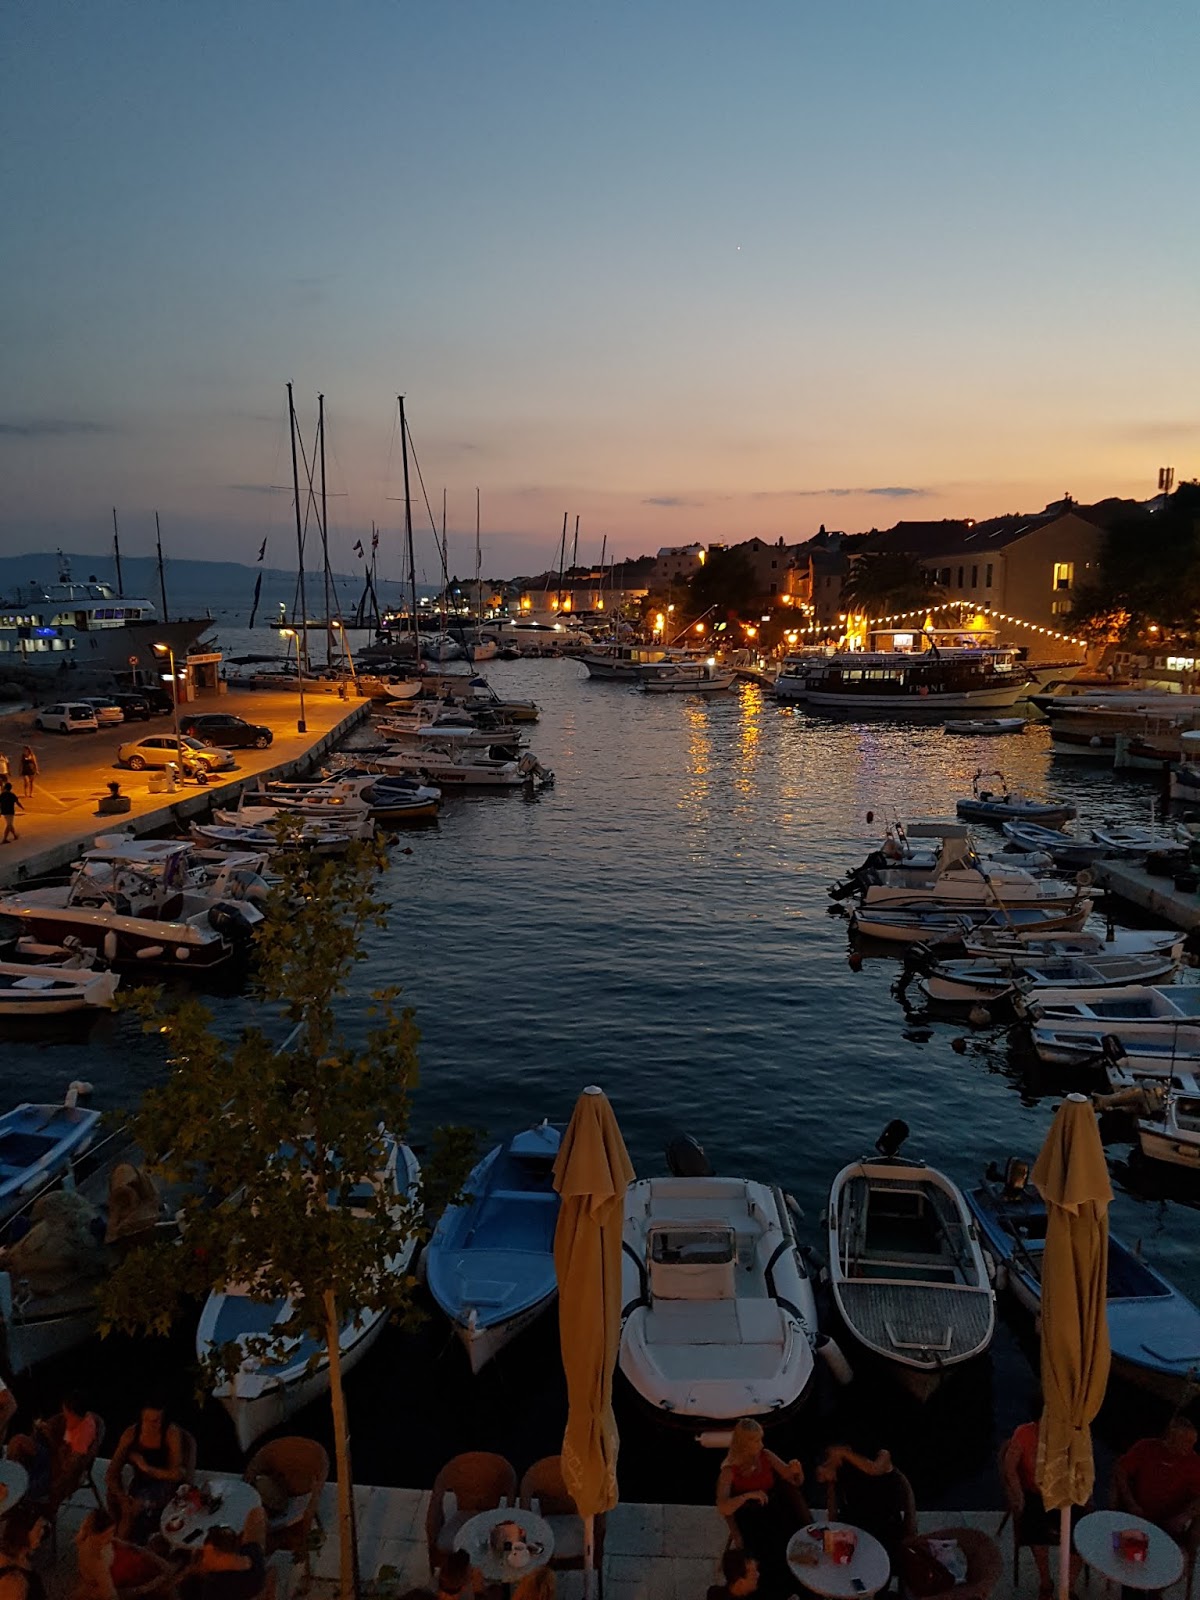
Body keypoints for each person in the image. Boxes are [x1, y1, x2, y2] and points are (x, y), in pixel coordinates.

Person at [715, 1418, 807, 1598]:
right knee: (763, 1552)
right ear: (744, 1444)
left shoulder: (766, 1456)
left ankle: (795, 1583)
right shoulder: (729, 1471)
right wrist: (747, 1495)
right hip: (750, 1515)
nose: (761, 1444)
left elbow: (793, 1480)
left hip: (773, 1508)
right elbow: (723, 1507)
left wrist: (797, 1471)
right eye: (756, 1441)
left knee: (788, 1542)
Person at [1000, 1414, 1083, 1599]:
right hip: (1035, 1494)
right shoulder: (1024, 1434)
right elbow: (1009, 1467)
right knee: (1033, 1527)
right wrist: (1018, 1494)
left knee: (1081, 1530)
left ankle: (1068, 1587)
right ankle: (1046, 1582)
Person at [817, 1441, 916, 1562]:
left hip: (883, 1523)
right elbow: (832, 1501)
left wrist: (842, 1453)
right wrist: (833, 1525)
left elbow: (873, 1469)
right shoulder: (843, 1467)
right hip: (856, 1523)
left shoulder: (882, 1455)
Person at [1114, 1415, 1200, 1552]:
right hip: (1136, 1514)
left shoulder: (1194, 1463)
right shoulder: (1146, 1447)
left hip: (1169, 1523)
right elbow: (1121, 1470)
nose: (1189, 1447)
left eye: (1192, 1443)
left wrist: (1184, 1517)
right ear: (1171, 1438)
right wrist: (1130, 1503)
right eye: (1186, 1441)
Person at [106, 1403, 187, 1543]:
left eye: (158, 1420)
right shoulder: (131, 1434)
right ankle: (123, 1546)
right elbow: (111, 1473)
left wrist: (146, 1468)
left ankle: (119, 1547)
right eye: (150, 1420)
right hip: (140, 1484)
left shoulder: (170, 1433)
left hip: (164, 1484)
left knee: (133, 1509)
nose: (155, 1424)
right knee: (126, 1506)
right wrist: (122, 1497)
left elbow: (177, 1474)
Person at [7, 1391, 98, 1508]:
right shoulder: (73, 1420)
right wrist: (45, 1433)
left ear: (70, 1411)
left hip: (54, 1469)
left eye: (65, 1410)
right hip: (51, 1455)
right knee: (18, 1440)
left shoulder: (83, 1436)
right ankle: (11, 1477)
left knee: (28, 1489)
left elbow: (66, 1467)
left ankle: (15, 1494)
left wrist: (51, 1438)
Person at [73, 1508, 173, 1600]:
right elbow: (112, 1595)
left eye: (112, 1532)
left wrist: (147, 1553)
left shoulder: (97, 1540)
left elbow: (124, 1544)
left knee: (162, 1550)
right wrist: (149, 1587)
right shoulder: (97, 1562)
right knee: (165, 1586)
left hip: (131, 1562)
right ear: (95, 1534)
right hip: (130, 1581)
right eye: (106, 1535)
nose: (110, 1537)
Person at [178, 1508, 269, 1600]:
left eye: (207, 1555)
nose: (204, 1560)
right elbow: (257, 1513)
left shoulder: (209, 1587)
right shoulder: (254, 1559)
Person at [0, 1507, 50, 1600]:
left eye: (43, 1528)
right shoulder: (13, 1578)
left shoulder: (21, 1563)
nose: (42, 1532)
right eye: (38, 1528)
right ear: (23, 1532)